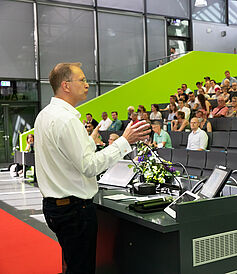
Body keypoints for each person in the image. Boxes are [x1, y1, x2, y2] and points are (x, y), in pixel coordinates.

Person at [35, 62, 150, 274]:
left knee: (72, 263)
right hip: (74, 210)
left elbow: (64, 157)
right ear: (66, 85)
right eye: (82, 80)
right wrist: (124, 141)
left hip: (56, 206)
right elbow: (89, 166)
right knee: (81, 269)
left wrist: (87, 142)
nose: (87, 84)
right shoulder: (67, 120)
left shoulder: (45, 115)